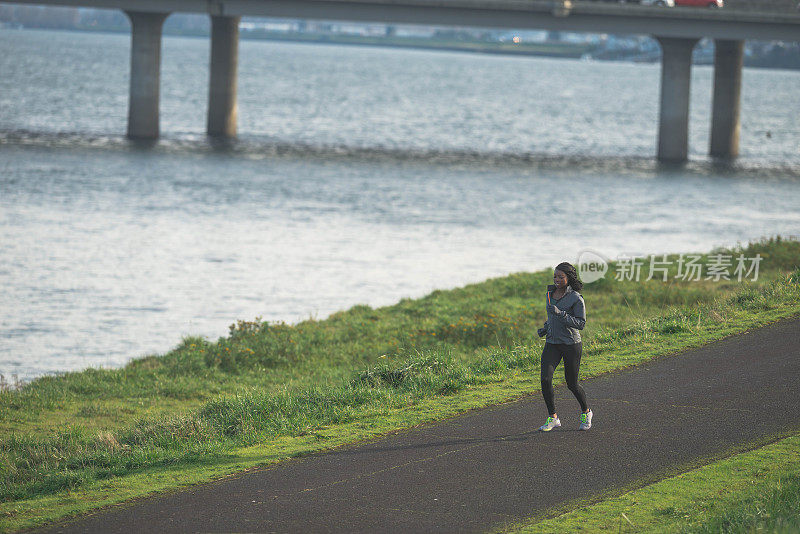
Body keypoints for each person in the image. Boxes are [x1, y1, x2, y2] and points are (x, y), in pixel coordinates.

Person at [536, 262, 592, 431]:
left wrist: (561, 314)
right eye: (555, 276)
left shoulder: (576, 297)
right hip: (552, 343)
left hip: (570, 344)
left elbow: (580, 323)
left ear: (569, 278)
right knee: (545, 379)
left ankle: (586, 412)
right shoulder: (549, 293)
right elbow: (551, 317)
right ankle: (553, 417)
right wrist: (545, 328)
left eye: (561, 277)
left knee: (572, 384)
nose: (557, 279)